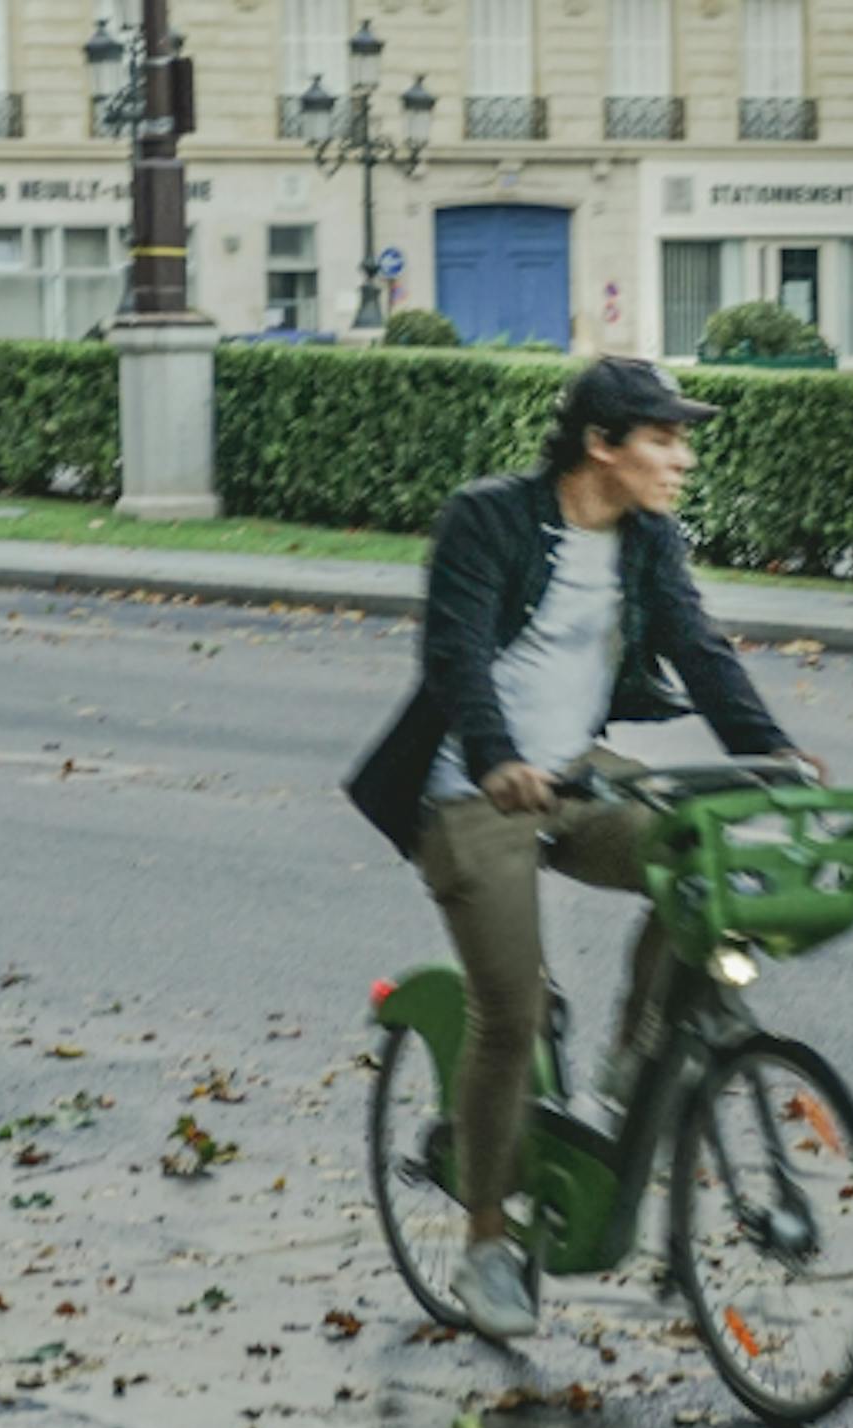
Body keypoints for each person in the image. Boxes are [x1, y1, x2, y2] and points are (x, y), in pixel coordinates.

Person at [345, 357, 825, 1340]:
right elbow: (456, 656)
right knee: (510, 1014)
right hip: (469, 793)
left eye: (682, 439)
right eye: (663, 438)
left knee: (700, 859)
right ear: (601, 445)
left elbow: (700, 648)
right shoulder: (488, 520)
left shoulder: (648, 541)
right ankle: (485, 1244)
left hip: (579, 777)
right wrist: (494, 760)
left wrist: (771, 753)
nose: (682, 458)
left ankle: (630, 1054)